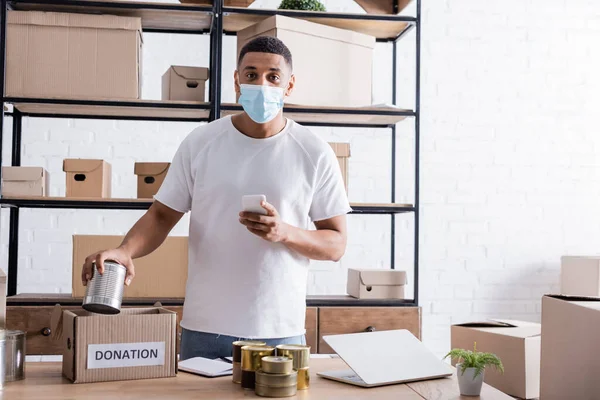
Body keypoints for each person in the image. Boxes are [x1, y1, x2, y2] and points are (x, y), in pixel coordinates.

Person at [81, 36, 351, 360]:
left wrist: (285, 232)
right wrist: (125, 251)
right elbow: (161, 216)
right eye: (251, 75)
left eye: (273, 77)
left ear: (289, 85)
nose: (261, 84)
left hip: (281, 331)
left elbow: (336, 244)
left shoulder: (314, 152)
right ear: (236, 81)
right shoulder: (202, 142)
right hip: (205, 330)